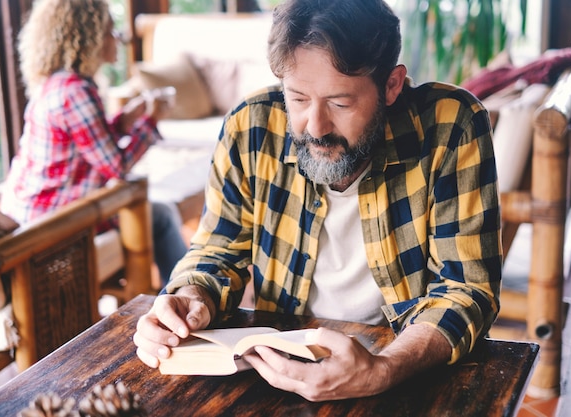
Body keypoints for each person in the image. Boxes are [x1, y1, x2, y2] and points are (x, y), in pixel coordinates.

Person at [133, 0, 502, 401]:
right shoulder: (250, 127)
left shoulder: (451, 125)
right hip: (281, 372)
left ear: (392, 86)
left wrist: (383, 369)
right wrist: (188, 298)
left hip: (406, 366)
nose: (315, 126)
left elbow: (466, 289)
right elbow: (217, 250)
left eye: (341, 103)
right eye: (298, 98)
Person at [0, 0, 188, 287]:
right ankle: (183, 296)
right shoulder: (77, 91)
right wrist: (151, 121)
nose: (118, 39)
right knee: (161, 214)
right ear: (88, 38)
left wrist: (124, 120)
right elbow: (116, 166)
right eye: (111, 31)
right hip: (55, 224)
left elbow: (83, 146)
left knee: (158, 210)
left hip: (32, 216)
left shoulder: (57, 84)